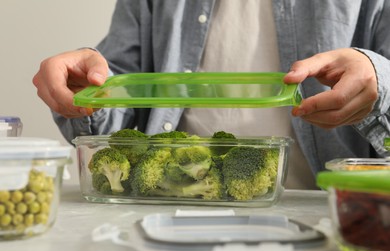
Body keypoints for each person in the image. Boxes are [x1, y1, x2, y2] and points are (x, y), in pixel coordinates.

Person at [32, 0, 390, 189]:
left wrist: (379, 79)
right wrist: (88, 90)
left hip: (326, 211)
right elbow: (119, 101)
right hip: (164, 206)